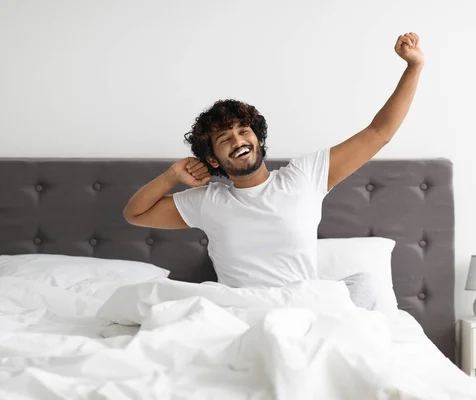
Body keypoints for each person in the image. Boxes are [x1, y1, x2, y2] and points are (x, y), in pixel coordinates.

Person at [123, 33, 424, 310]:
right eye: (225, 139)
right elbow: (135, 214)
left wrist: (414, 66)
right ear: (213, 159)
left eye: (244, 131)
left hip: (304, 308)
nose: (238, 141)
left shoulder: (304, 177)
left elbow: (379, 132)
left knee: (367, 285)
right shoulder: (207, 201)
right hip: (247, 311)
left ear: (259, 139)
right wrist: (172, 175)